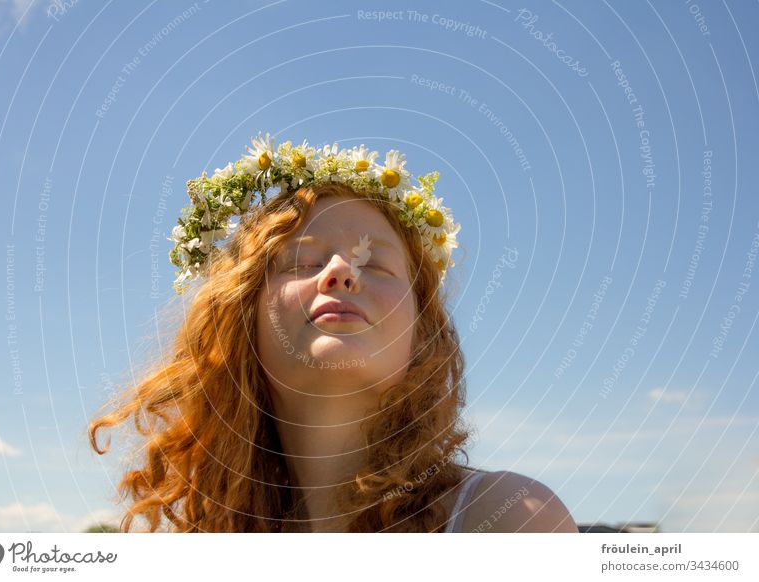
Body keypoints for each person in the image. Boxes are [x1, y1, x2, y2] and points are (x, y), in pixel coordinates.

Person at [88, 134, 577, 533]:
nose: (342, 273)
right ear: (239, 318)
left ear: (422, 331)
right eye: (304, 260)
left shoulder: (507, 519)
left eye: (378, 265)